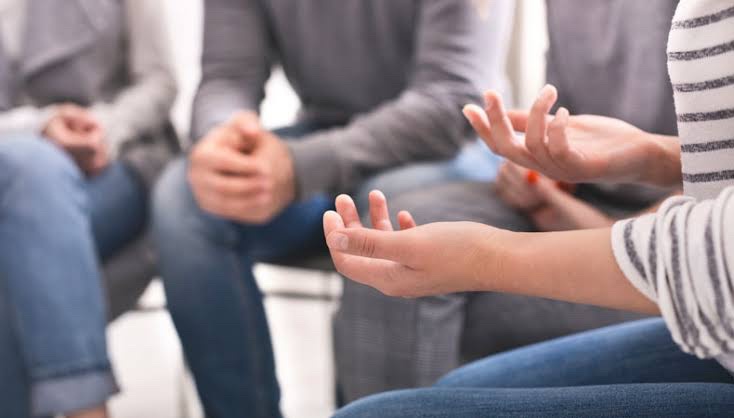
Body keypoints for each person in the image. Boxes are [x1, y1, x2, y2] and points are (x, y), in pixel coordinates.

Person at [325, 0, 734, 415]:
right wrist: (655, 155)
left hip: (694, 260)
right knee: (451, 375)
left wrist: (485, 258)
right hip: (660, 230)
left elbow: (721, 260)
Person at [151, 1, 513, 417]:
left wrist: (303, 165)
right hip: (327, 135)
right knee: (184, 199)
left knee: (385, 214)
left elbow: (451, 101)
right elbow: (228, 76)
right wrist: (225, 137)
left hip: (450, 146)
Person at [0, 0, 177, 417]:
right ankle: (88, 407)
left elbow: (158, 81)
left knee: (21, 238)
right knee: (32, 169)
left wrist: (103, 129)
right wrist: (39, 127)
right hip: (15, 165)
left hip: (115, 160)